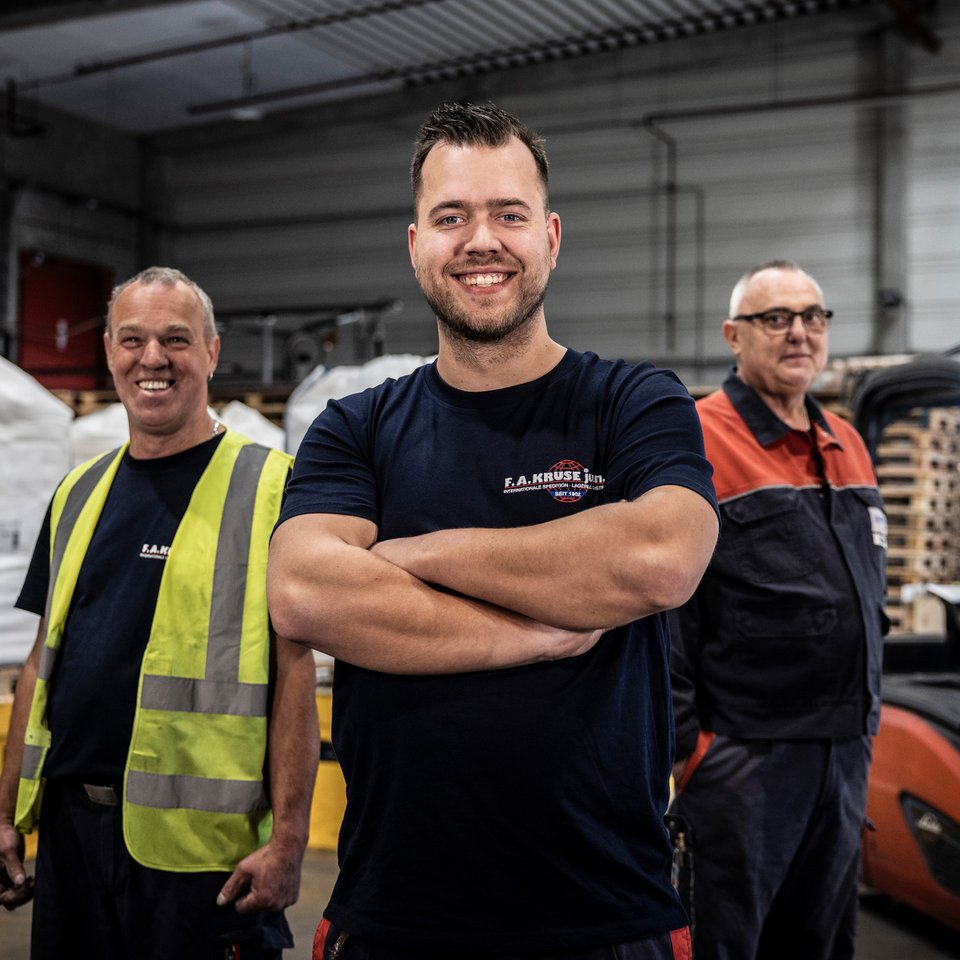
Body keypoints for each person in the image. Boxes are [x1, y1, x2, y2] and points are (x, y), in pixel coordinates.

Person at [268, 101, 719, 960]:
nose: (482, 241)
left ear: (550, 236)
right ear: (415, 245)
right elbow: (303, 590)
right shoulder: (354, 427)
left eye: (508, 214)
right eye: (452, 217)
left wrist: (415, 555)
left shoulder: (633, 402)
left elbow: (661, 558)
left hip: (608, 914)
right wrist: (543, 632)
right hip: (397, 912)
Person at [0, 266, 319, 959]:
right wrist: (5, 816)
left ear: (211, 351)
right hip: (71, 837)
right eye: (132, 339)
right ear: (109, 350)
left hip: (204, 858)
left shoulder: (273, 486)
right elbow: (38, 665)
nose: (152, 359)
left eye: (175, 339)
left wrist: (291, 840)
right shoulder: (78, 491)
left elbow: (296, 675)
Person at [668, 260, 887, 960]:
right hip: (744, 760)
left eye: (813, 316)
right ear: (735, 336)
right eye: (776, 319)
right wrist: (689, 751)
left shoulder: (846, 440)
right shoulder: (697, 438)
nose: (799, 333)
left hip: (843, 753)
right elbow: (662, 608)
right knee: (724, 943)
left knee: (820, 942)